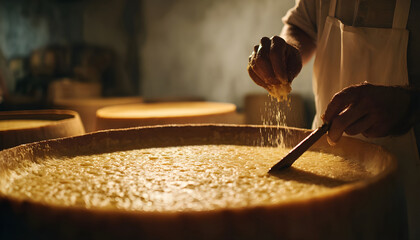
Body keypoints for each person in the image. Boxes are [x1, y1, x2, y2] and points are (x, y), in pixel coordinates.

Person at [247, 0, 420, 239]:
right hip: (324, 166)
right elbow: (302, 25)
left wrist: (409, 104)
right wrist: (289, 50)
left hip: (408, 181)